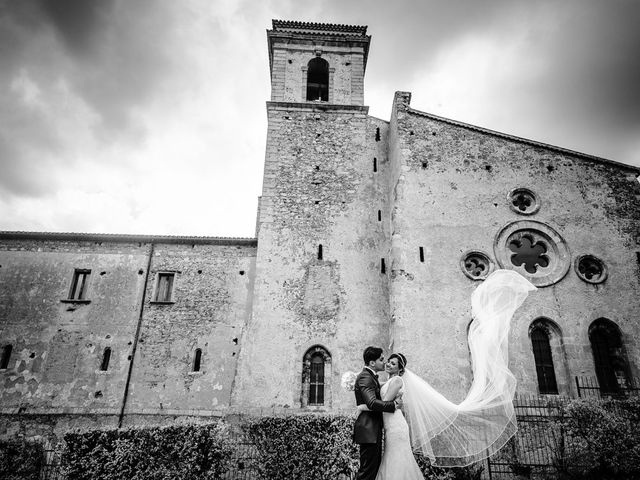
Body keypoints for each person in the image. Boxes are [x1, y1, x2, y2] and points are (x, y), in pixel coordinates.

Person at [356, 269, 536, 476]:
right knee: (390, 461)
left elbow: (382, 406)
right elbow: (383, 401)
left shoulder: (396, 382)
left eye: (392, 363)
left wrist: (363, 405)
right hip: (390, 426)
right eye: (386, 361)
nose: (387, 364)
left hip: (394, 425)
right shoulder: (386, 381)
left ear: (400, 368)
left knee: (395, 462)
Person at [353, 346, 402, 480]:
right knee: (367, 472)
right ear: (372, 363)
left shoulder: (371, 377)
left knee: (372, 470)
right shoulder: (365, 377)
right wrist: (394, 405)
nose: (385, 362)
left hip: (373, 429)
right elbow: (373, 403)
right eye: (381, 359)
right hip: (369, 430)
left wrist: (362, 406)